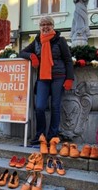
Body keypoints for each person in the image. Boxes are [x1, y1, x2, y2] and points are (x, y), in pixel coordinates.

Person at [19, 15, 74, 146]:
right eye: (42, 25)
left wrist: (69, 78)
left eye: (48, 24)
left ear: (52, 26)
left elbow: (68, 60)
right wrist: (32, 56)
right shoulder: (37, 41)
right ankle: (40, 134)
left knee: (55, 106)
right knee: (40, 107)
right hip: (43, 77)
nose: (45, 27)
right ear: (40, 27)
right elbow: (21, 53)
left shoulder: (60, 40)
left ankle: (52, 135)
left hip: (58, 76)